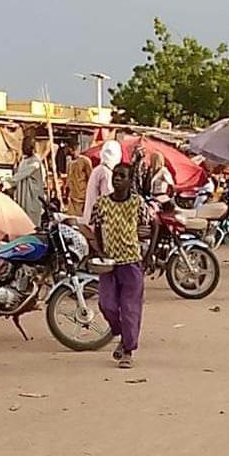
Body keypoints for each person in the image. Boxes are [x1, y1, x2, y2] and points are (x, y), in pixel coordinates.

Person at [91, 163, 155, 369]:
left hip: (131, 262)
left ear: (129, 180)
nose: (117, 179)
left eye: (122, 176)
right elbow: (97, 229)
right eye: (115, 175)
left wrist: (149, 255)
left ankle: (127, 350)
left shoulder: (137, 203)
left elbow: (154, 224)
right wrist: (99, 251)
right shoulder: (101, 204)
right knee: (106, 304)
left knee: (130, 308)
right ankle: (121, 333)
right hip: (109, 263)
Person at [8, 136, 45, 227]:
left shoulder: (35, 162)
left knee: (31, 224)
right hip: (22, 197)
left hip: (31, 198)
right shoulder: (24, 161)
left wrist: (7, 183)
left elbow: (22, 174)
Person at [82, 140, 122, 225]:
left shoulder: (99, 169)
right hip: (98, 221)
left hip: (91, 217)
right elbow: (108, 198)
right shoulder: (106, 173)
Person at [66, 144, 93, 216]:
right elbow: (69, 179)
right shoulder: (69, 162)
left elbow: (90, 178)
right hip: (72, 197)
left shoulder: (85, 161)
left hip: (82, 197)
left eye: (75, 150)